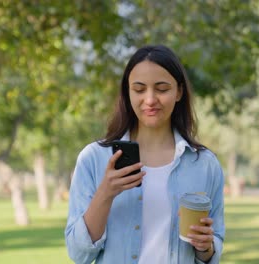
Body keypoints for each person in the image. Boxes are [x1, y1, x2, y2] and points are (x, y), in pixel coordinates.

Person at [65, 45, 225, 263]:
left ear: (178, 92)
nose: (150, 99)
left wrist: (205, 248)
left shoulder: (205, 164)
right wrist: (106, 193)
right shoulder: (93, 159)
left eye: (161, 89)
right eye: (139, 90)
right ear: (127, 92)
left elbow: (212, 250)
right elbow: (79, 254)